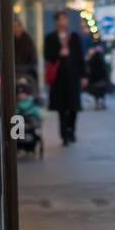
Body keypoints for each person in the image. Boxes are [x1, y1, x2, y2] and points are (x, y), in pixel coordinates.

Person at [44, 10, 86, 144]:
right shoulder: (50, 38)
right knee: (61, 108)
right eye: (60, 19)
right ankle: (64, 136)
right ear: (56, 21)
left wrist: (83, 76)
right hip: (59, 78)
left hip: (73, 76)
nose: (63, 22)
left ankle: (71, 130)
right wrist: (59, 53)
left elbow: (80, 57)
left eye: (64, 19)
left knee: (73, 106)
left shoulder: (74, 37)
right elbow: (47, 55)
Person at [85, 44, 111, 109]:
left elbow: (92, 67)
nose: (89, 52)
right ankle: (100, 104)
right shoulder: (96, 57)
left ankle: (99, 104)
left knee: (98, 92)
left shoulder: (95, 57)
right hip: (98, 78)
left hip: (98, 78)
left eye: (90, 50)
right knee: (99, 93)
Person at [14, 17, 38, 85]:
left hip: (27, 73)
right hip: (15, 73)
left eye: (18, 26)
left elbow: (33, 60)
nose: (16, 29)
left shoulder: (28, 41)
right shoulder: (9, 44)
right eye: (14, 27)